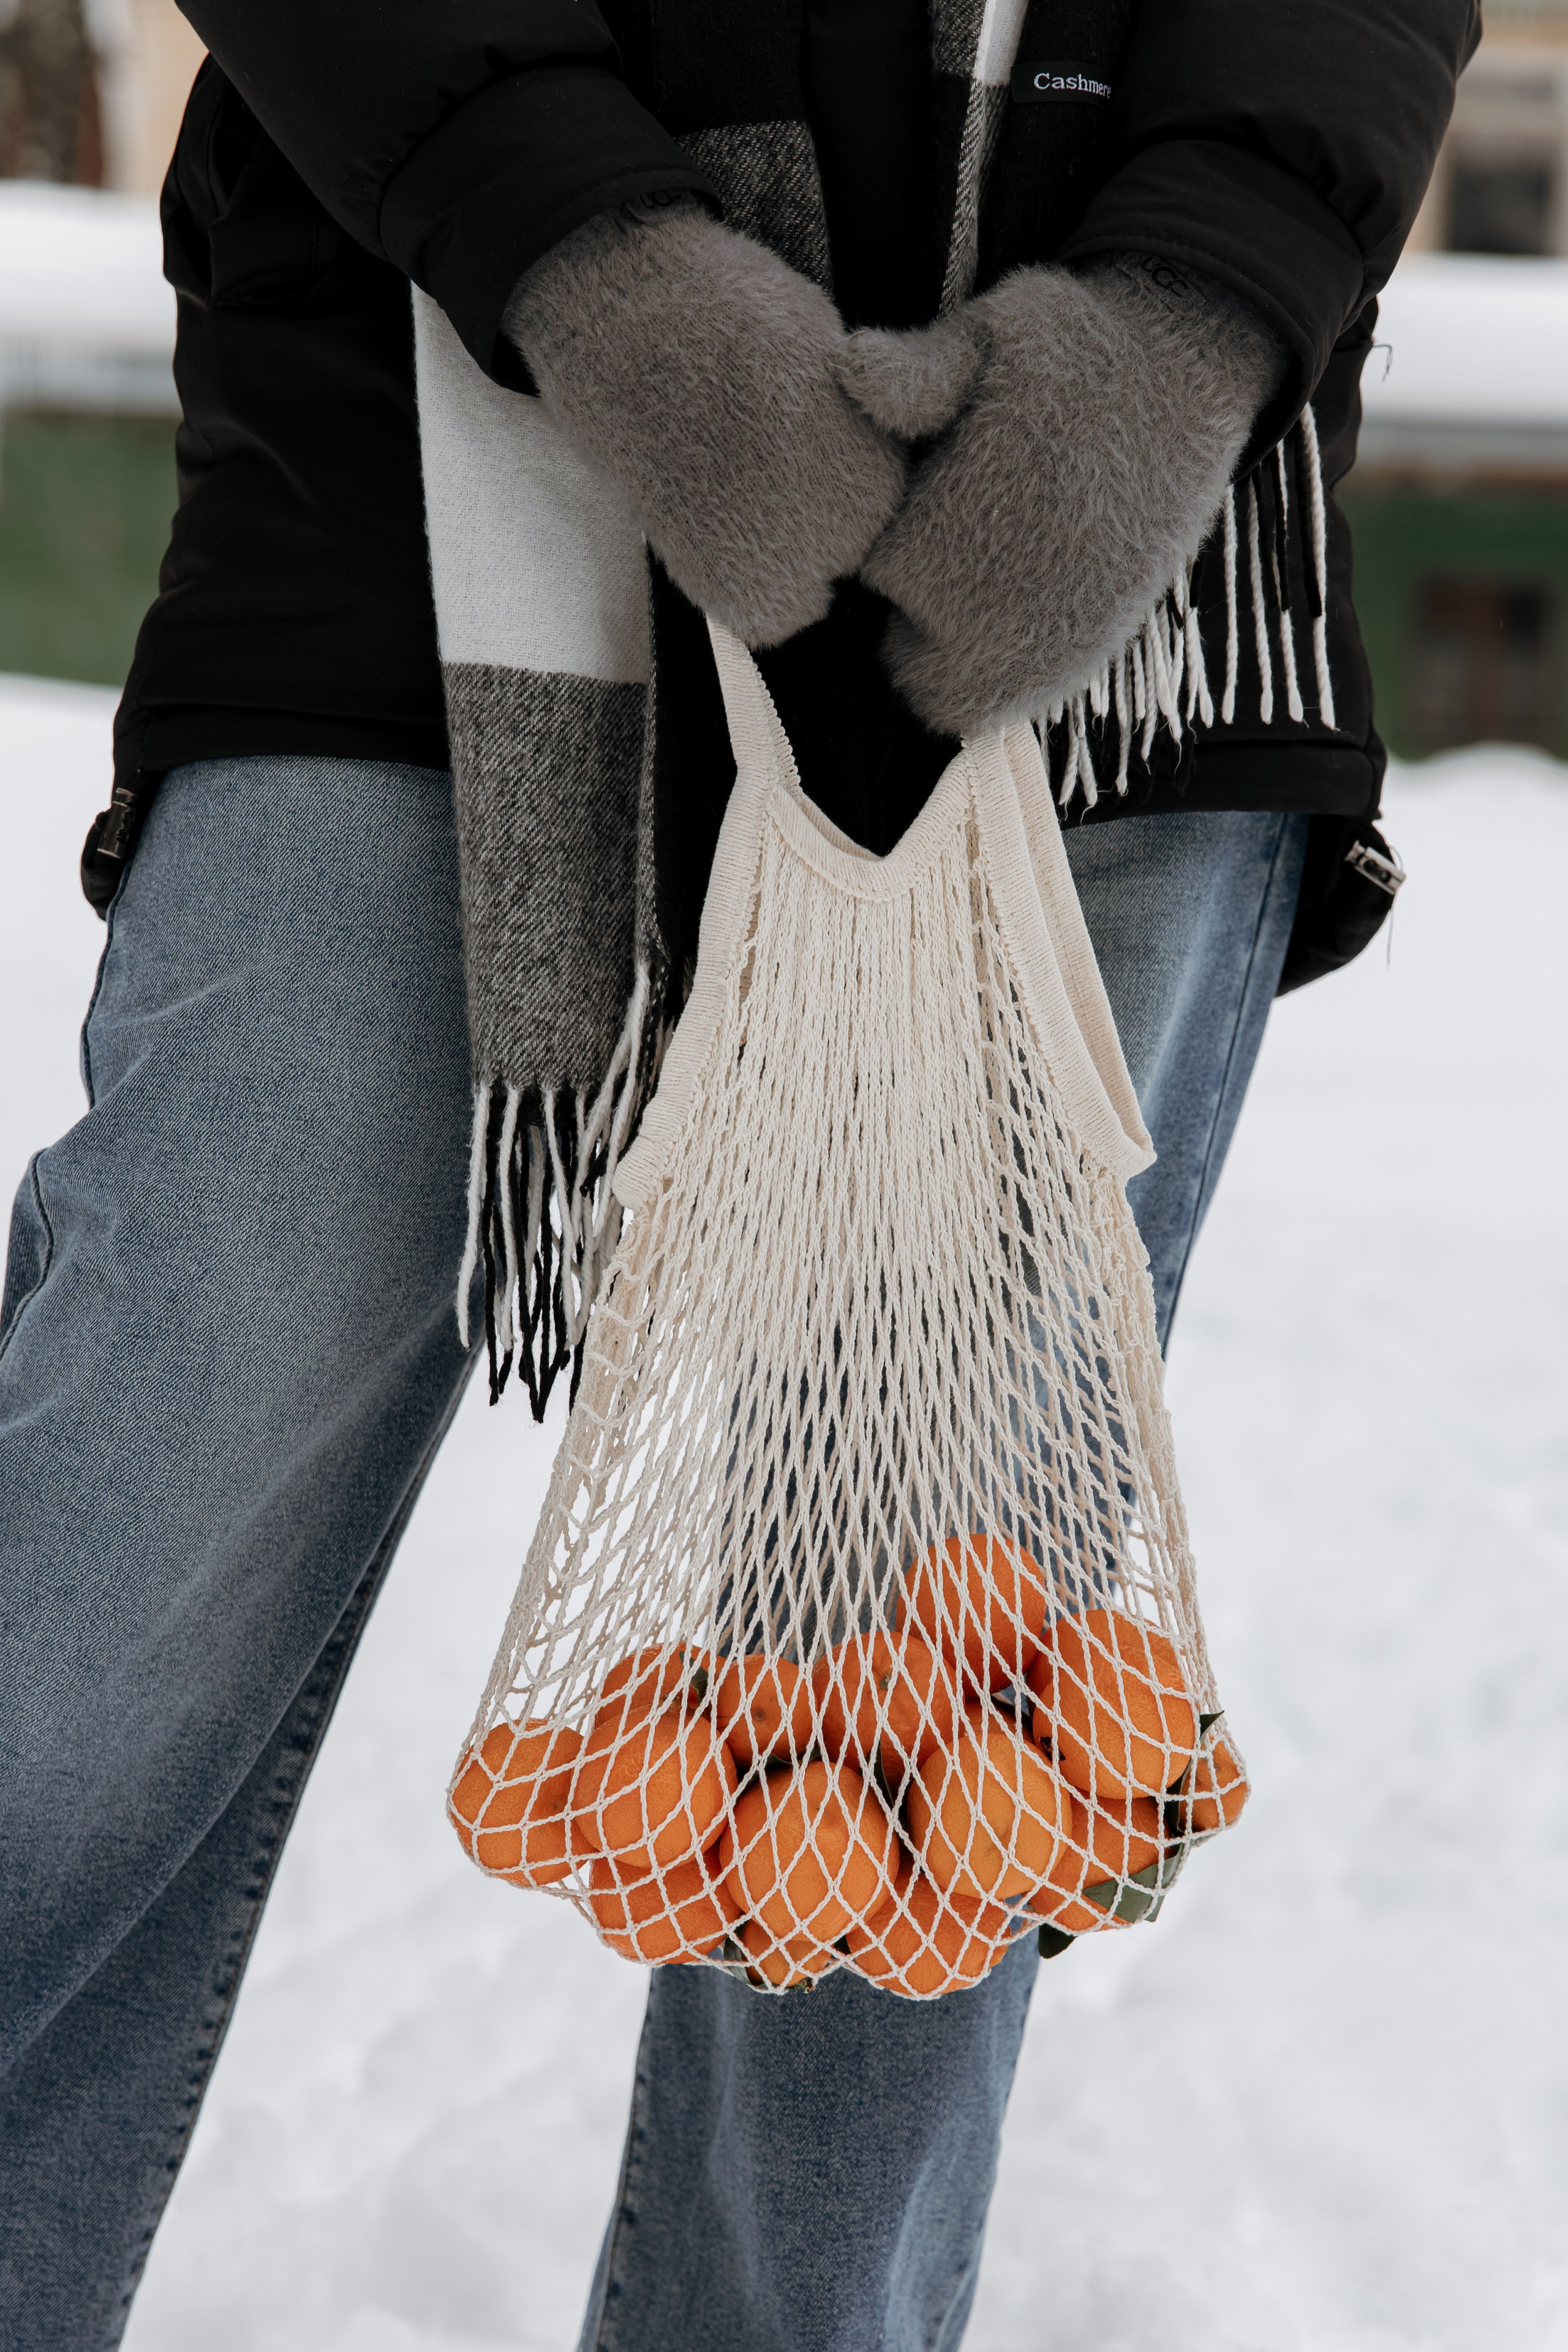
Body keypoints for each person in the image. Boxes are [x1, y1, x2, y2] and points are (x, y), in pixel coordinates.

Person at [0, 2, 1476, 2344]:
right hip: (428, 450)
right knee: (83, 1628)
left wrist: (1196, 307)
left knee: (918, 1752)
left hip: (1102, 554)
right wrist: (582, 249)